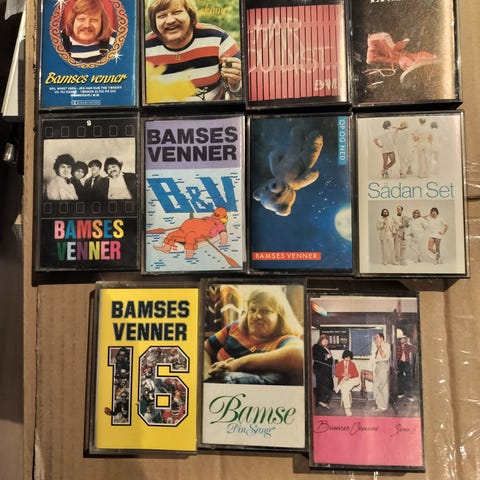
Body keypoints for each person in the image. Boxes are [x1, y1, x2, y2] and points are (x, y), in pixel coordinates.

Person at [144, 0, 242, 102]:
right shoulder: (143, 49)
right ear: (154, 22)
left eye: (177, 12)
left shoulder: (218, 39)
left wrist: (235, 82)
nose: (170, 20)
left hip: (211, 111)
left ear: (190, 14)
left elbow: (242, 88)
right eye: (162, 16)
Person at [204, 286, 304, 385]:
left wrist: (239, 363)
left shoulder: (284, 340)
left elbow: (299, 354)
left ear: (280, 316)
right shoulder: (235, 327)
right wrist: (208, 377)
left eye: (265, 311)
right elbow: (205, 349)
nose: (256, 316)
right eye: (252, 310)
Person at [334, 350, 360, 417]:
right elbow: (336, 374)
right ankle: (347, 408)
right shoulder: (339, 363)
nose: (348, 359)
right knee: (345, 390)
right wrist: (343, 374)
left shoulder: (352, 364)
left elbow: (356, 374)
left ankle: (339, 387)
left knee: (357, 380)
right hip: (343, 381)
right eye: (346, 357)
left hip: (350, 380)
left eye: (349, 358)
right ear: (344, 357)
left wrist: (349, 375)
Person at [371, 333, 391, 412]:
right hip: (378, 366)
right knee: (376, 386)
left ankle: (383, 406)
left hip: (383, 365)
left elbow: (384, 356)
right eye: (375, 338)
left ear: (382, 338)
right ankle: (380, 404)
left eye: (377, 337)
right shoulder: (377, 347)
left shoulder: (386, 345)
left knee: (383, 386)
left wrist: (379, 346)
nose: (375, 339)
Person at [312, 334, 334, 409]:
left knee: (330, 385)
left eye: (327, 341)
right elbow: (315, 355)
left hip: (327, 370)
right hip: (320, 369)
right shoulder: (316, 346)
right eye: (324, 341)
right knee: (323, 385)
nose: (326, 342)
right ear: (320, 340)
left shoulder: (326, 348)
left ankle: (322, 401)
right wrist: (326, 356)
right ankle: (321, 401)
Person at [396, 335, 416, 401]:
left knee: (409, 378)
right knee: (400, 378)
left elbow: (414, 349)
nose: (402, 340)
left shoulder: (407, 346)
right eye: (401, 339)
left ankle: (410, 395)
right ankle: (401, 392)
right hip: (400, 363)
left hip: (406, 362)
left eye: (403, 339)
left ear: (405, 339)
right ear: (400, 340)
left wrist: (409, 343)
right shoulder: (398, 346)